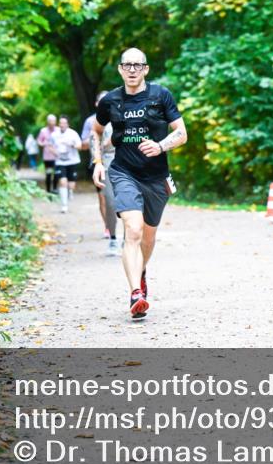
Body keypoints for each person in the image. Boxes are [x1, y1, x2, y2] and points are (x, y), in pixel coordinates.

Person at [91, 48, 187, 319]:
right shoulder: (110, 101)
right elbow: (96, 131)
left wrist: (160, 145)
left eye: (137, 65)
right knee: (132, 230)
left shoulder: (160, 96)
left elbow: (181, 133)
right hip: (124, 173)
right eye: (127, 65)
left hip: (156, 178)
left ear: (145, 69)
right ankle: (136, 293)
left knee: (147, 236)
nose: (132, 70)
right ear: (120, 70)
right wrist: (98, 161)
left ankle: (141, 273)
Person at [81, 90, 120, 253]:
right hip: (106, 163)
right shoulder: (93, 121)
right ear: (98, 103)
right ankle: (112, 237)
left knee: (130, 202)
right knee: (110, 203)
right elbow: (91, 142)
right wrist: (97, 161)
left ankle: (128, 238)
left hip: (126, 161)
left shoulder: (122, 113)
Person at [48, 115, 82, 213]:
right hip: (60, 162)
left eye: (64, 123)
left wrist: (72, 145)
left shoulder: (73, 134)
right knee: (62, 182)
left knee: (71, 185)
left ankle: (70, 191)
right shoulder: (54, 134)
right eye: (60, 123)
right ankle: (64, 206)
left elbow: (80, 146)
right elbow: (49, 146)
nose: (62, 125)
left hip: (73, 161)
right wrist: (55, 152)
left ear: (68, 124)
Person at [37, 114, 58, 193]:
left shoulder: (58, 130)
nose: (52, 123)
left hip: (56, 156)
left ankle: (55, 189)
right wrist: (43, 144)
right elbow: (39, 141)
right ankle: (48, 190)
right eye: (50, 121)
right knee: (48, 174)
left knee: (56, 173)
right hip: (47, 157)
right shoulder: (43, 131)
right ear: (48, 122)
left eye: (53, 121)